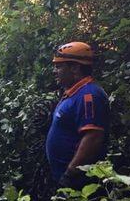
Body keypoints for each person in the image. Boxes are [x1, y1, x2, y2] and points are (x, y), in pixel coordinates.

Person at [45, 42, 110, 188]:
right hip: (63, 177)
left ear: (75, 68)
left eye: (59, 66)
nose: (55, 71)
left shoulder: (89, 95)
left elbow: (93, 138)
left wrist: (70, 173)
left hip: (79, 182)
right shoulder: (72, 93)